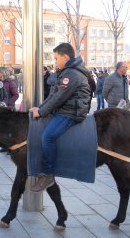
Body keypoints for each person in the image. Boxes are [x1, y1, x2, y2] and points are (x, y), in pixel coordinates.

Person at [29, 43, 91, 192]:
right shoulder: (67, 71)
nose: (55, 62)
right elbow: (53, 96)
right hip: (65, 108)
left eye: (57, 58)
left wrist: (42, 112)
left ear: (65, 56)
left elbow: (59, 98)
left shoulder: (72, 74)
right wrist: (40, 108)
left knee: (47, 136)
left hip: (71, 112)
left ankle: (48, 174)